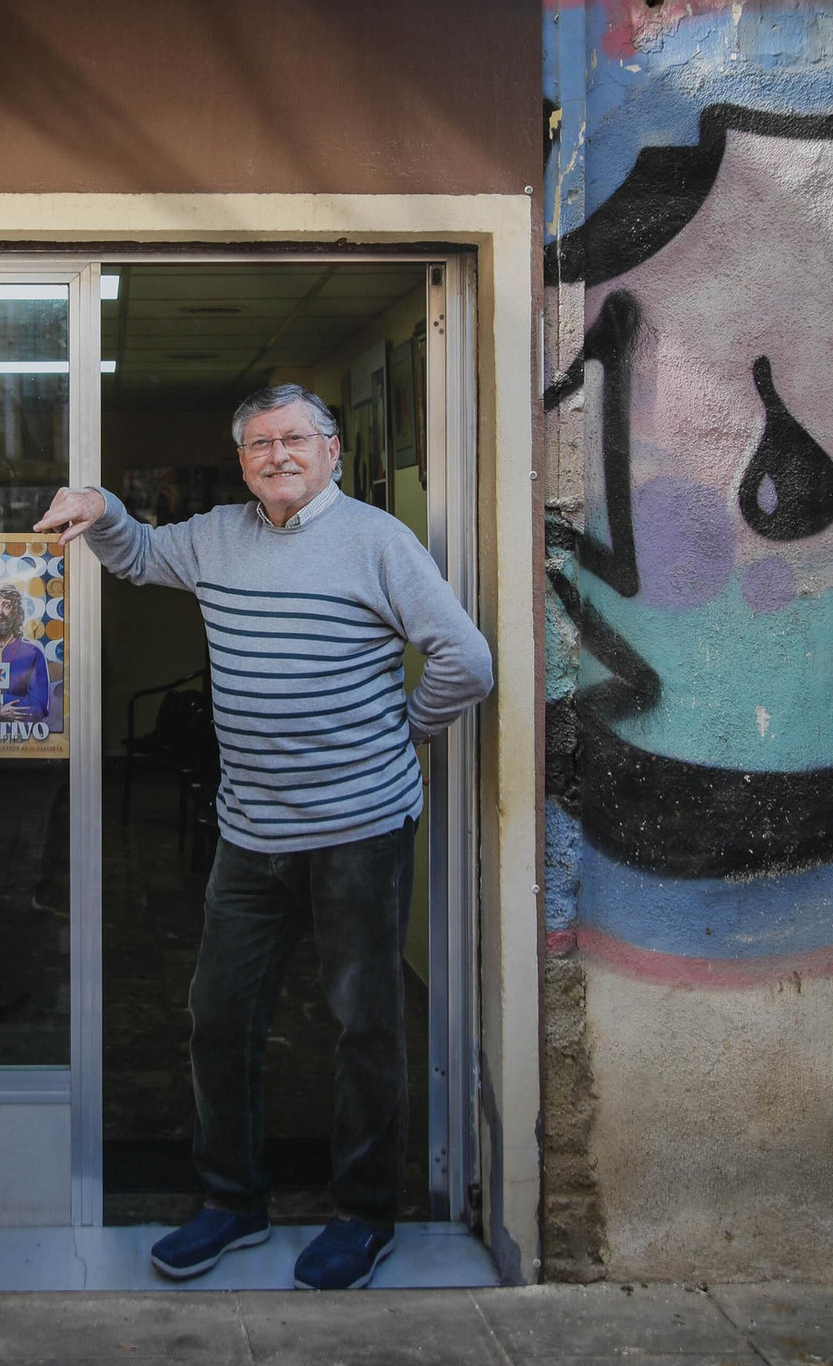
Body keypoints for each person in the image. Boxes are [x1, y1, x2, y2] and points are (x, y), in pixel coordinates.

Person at [37, 382, 492, 1293]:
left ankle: (363, 1216)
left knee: (364, 1024)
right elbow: (136, 555)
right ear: (241, 460)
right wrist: (101, 506)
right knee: (220, 1018)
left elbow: (466, 661)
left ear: (331, 449)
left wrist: (404, 733)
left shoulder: (377, 540)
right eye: (256, 445)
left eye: (293, 439)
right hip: (250, 831)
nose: (276, 456)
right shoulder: (214, 536)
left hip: (360, 830)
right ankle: (231, 1203)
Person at [0, 583, 51, 724]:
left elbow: (38, 708)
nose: (0, 612)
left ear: (15, 611)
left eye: (6, 605)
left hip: (24, 741)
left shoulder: (31, 653)